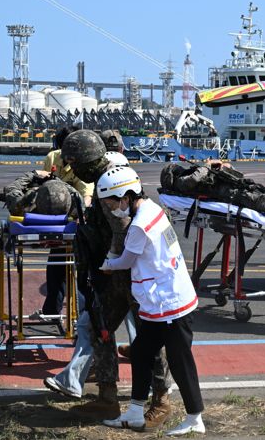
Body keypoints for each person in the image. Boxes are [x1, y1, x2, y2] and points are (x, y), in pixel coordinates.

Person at [59, 130, 173, 427]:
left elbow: (124, 230)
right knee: (101, 328)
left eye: (75, 162)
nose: (74, 169)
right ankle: (107, 397)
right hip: (116, 274)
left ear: (85, 160)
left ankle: (161, 399)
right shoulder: (103, 175)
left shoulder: (111, 180)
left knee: (149, 339)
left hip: (130, 275)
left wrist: (108, 264)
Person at [98, 166, 205, 436]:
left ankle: (195, 418)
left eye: (112, 202)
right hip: (161, 303)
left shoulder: (138, 226)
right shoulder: (153, 209)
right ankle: (135, 411)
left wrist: (107, 265)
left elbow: (126, 261)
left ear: (126, 196)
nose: (112, 208)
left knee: (181, 363)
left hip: (171, 305)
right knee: (143, 352)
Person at [33, 127, 94, 317]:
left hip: (77, 220)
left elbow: (86, 196)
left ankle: (84, 314)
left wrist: (78, 219)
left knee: (81, 270)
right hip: (55, 219)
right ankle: (52, 310)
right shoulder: (52, 157)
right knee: (56, 265)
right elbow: (43, 188)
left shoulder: (84, 162)